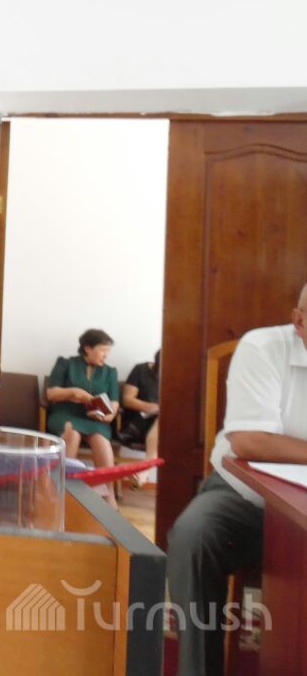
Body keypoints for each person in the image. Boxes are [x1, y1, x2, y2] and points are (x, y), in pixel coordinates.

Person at [167, 284, 307, 676]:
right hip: (247, 500)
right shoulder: (263, 348)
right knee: (194, 537)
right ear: (299, 321)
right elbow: (248, 441)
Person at [45, 329, 121, 504]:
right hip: (66, 413)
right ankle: (62, 491)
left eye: (108, 351)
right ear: (87, 348)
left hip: (96, 419)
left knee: (101, 441)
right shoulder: (65, 363)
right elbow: (51, 393)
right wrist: (73, 392)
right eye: (102, 350)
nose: (106, 355)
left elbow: (114, 402)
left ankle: (109, 497)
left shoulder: (110, 372)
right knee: (72, 433)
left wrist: (108, 416)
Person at [119, 349, 161, 485]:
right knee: (163, 419)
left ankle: (144, 471)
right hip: (137, 425)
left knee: (164, 419)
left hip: (165, 429)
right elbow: (128, 400)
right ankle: (146, 469)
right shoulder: (140, 370)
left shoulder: (179, 376)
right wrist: (155, 407)